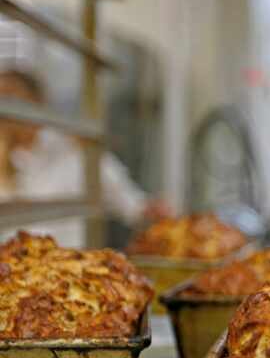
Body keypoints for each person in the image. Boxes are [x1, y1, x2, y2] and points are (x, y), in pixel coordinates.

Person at [0, 69, 171, 246]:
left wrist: (151, 211)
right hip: (11, 268)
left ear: (37, 102)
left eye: (11, 97)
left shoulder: (74, 150)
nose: (5, 110)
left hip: (70, 267)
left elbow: (130, 203)